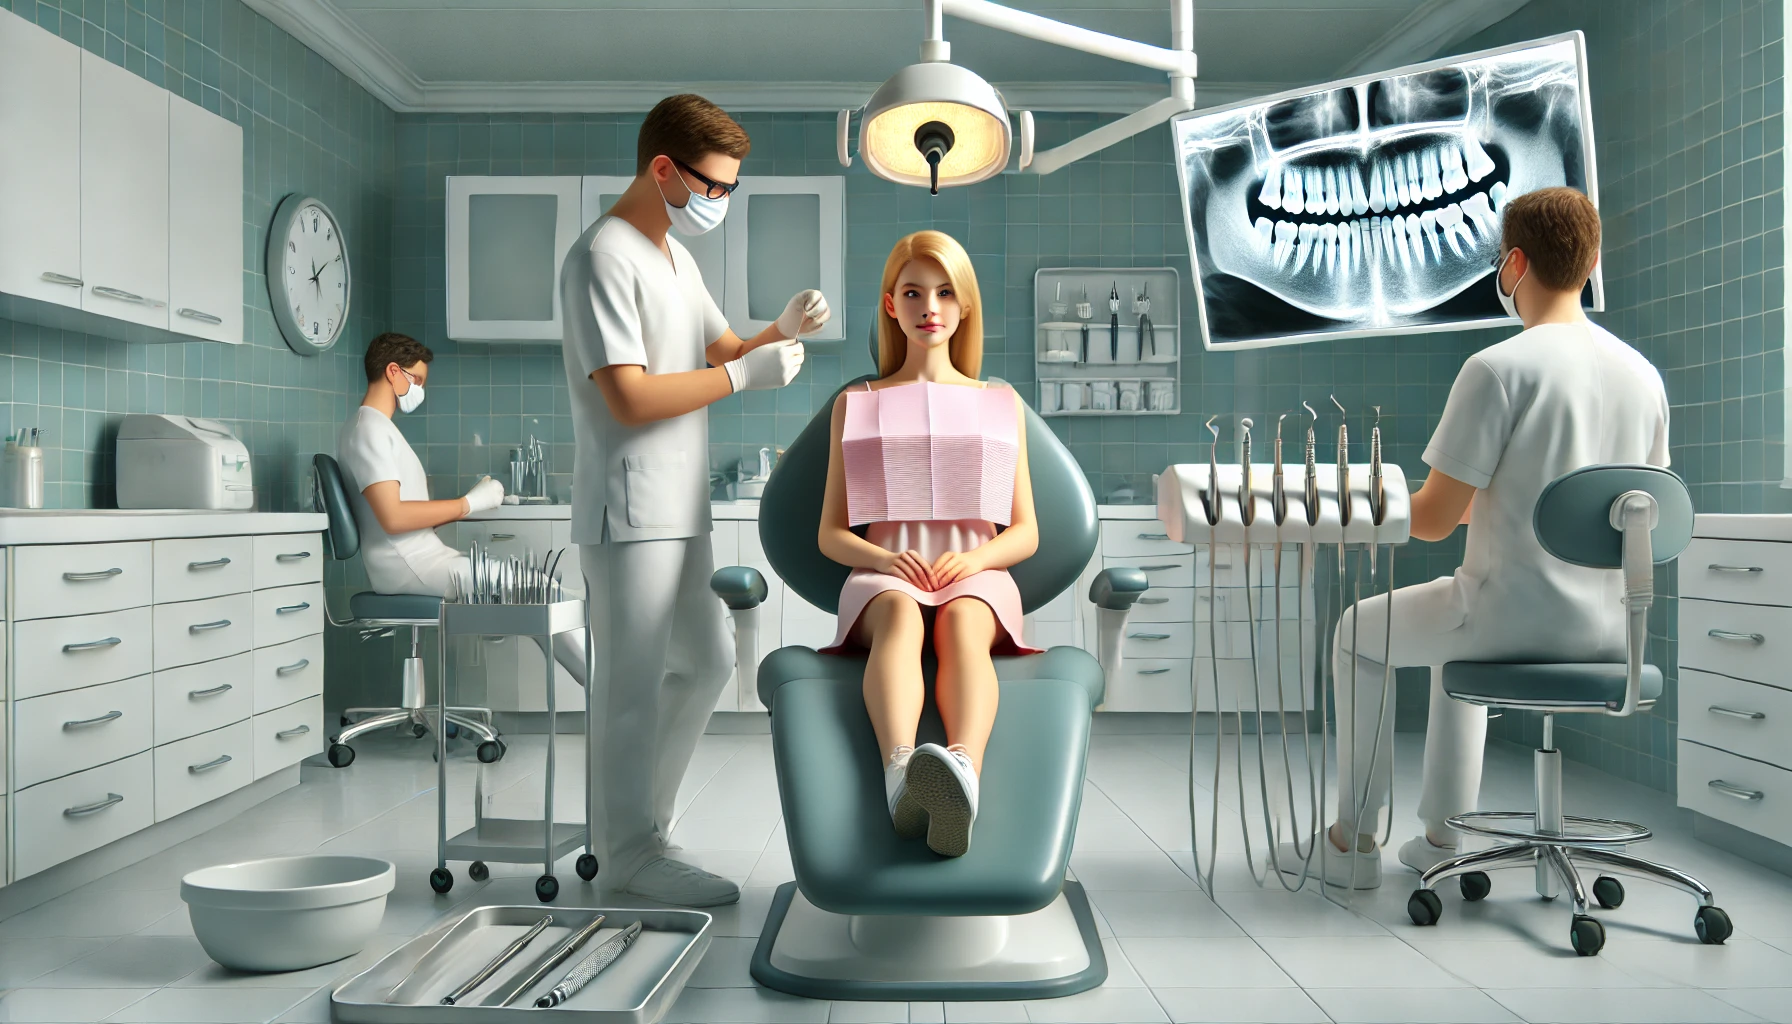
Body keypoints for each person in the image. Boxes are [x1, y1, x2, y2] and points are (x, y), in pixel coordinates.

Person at [1282, 186, 1670, 889]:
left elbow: (1431, 518)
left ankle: (1352, 838)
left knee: (1355, 633)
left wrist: (1377, 496)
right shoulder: (1643, 378)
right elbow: (1623, 514)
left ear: (1514, 263)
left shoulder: (1498, 368)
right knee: (1440, 641)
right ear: (1590, 262)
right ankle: (1445, 835)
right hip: (1611, 633)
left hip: (1505, 619)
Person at [562, 93, 831, 907]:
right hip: (630, 500)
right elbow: (630, 399)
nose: (720, 201)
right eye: (713, 186)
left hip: (681, 503)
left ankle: (645, 830)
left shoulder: (676, 257)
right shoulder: (602, 257)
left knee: (710, 661)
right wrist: (742, 375)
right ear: (663, 169)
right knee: (630, 683)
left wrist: (773, 330)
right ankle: (622, 852)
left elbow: (721, 348)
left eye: (730, 189)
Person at [815, 230, 1039, 859]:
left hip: (978, 571)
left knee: (964, 623)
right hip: (886, 573)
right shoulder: (856, 405)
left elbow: (1025, 531)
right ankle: (901, 777)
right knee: (899, 615)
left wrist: (974, 560)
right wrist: (886, 561)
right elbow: (832, 536)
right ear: (891, 305)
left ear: (964, 304)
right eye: (912, 292)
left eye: (944, 292)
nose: (929, 306)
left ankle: (961, 773)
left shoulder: (1001, 404)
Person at [336, 331, 589, 683]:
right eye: (417, 380)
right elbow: (393, 518)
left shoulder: (376, 429)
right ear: (393, 372)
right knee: (536, 593)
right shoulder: (370, 430)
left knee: (537, 591)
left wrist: (474, 501)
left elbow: (398, 517)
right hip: (408, 566)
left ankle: (596, 673)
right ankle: (607, 692)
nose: (419, 390)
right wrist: (468, 504)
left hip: (420, 558)